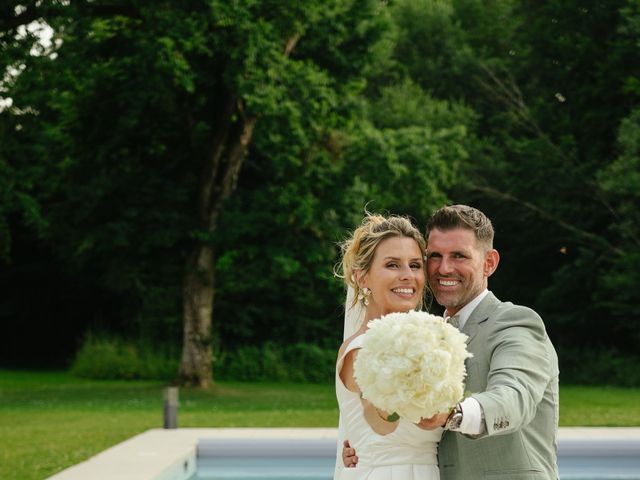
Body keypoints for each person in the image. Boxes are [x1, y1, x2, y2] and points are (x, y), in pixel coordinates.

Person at [343, 205, 560, 480]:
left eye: (459, 256)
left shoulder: (515, 323)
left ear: (490, 263)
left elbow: (513, 398)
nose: (444, 268)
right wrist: (365, 449)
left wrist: (453, 414)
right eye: (435, 256)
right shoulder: (424, 337)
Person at [334, 214, 443, 480]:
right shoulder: (362, 349)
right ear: (362, 278)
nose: (407, 276)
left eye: (415, 265)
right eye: (393, 265)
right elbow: (381, 420)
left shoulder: (428, 342)